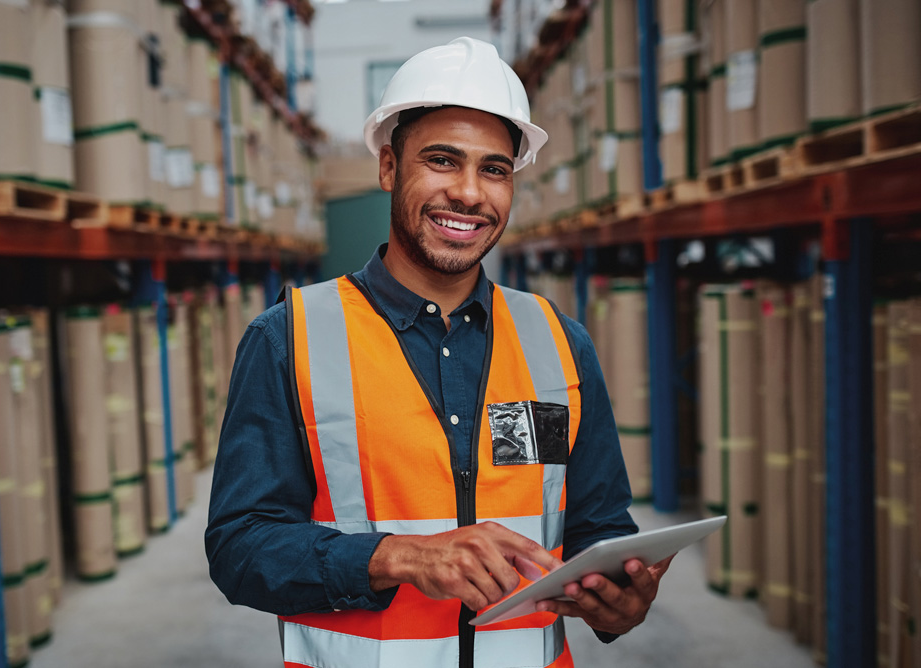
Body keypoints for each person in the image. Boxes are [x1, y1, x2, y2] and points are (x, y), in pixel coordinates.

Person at [206, 36, 672, 668]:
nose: (471, 194)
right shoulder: (290, 338)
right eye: (443, 161)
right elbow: (239, 549)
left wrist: (620, 598)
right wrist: (395, 556)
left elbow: (599, 528)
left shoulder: (558, 342)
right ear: (389, 168)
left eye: (495, 169)